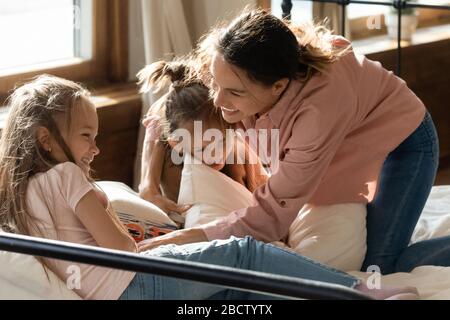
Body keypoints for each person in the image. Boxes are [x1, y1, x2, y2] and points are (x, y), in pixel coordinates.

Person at [0, 75, 418, 300]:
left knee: (232, 284)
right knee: (244, 252)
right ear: (45, 139)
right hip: (132, 287)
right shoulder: (67, 176)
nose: (95, 147)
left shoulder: (22, 193)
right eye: (86, 136)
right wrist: (163, 244)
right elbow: (122, 252)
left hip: (115, 292)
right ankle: (364, 291)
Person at [137, 9, 441, 275]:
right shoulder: (230, 67)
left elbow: (270, 213)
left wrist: (194, 237)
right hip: (338, 144)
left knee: (378, 264)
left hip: (401, 144)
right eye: (215, 85)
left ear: (278, 86)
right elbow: (162, 111)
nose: (217, 99)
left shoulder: (317, 111)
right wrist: (148, 185)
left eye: (234, 93)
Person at [137, 60, 268, 219]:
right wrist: (148, 185)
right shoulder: (166, 129)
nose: (215, 155)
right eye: (203, 149)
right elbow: (158, 119)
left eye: (222, 142)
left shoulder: (237, 149)